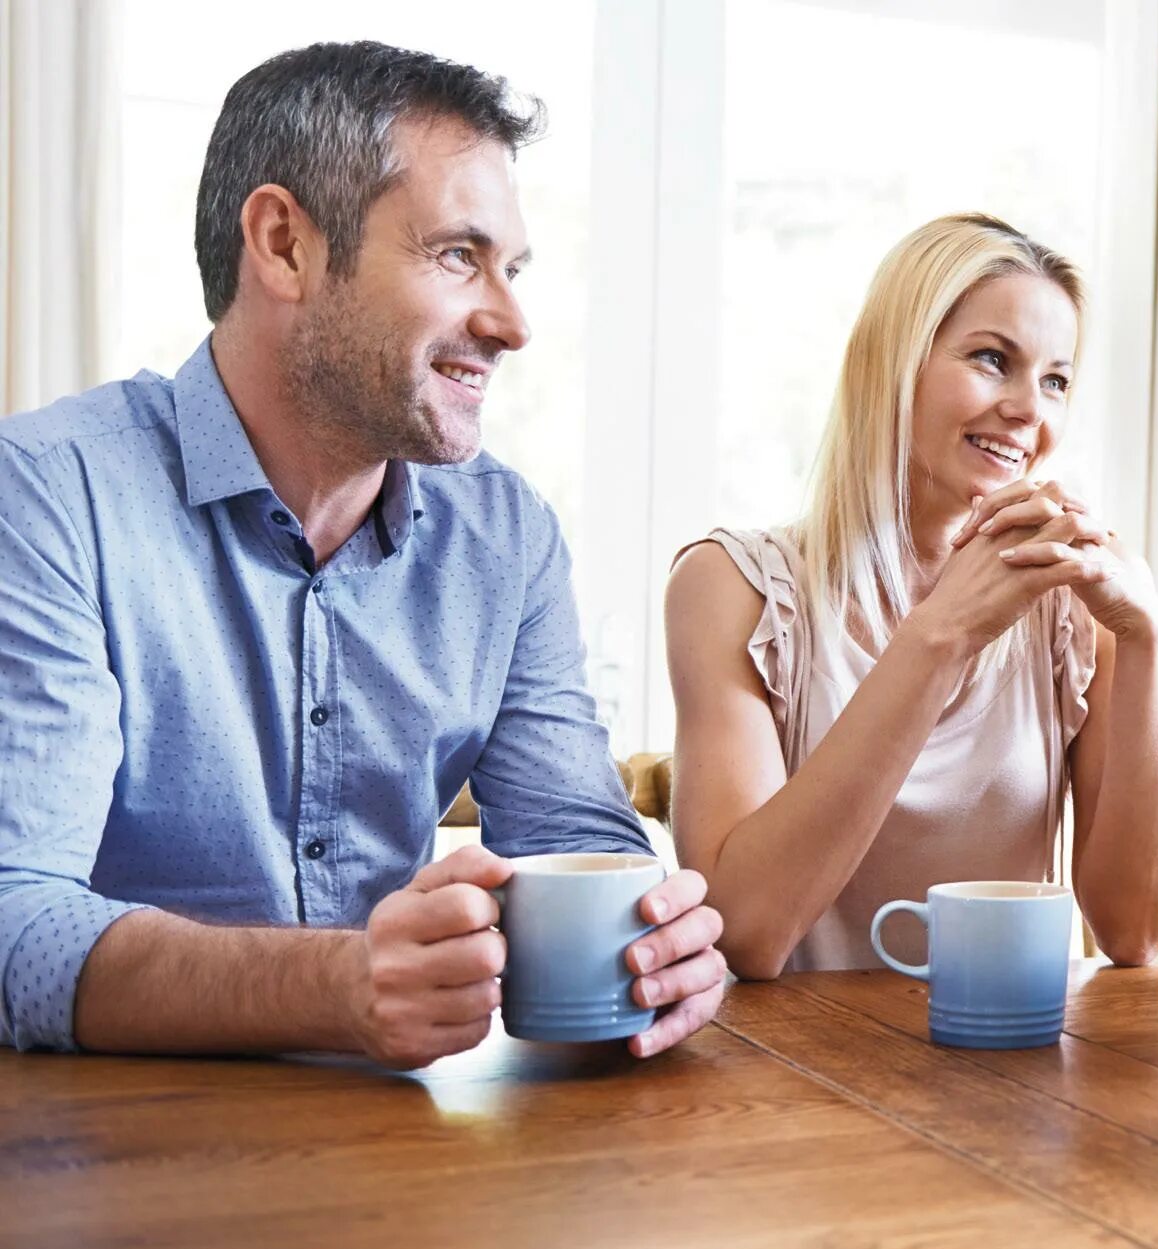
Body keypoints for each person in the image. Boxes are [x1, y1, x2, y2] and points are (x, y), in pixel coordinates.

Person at [0, 43, 725, 1064]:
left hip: (404, 1159)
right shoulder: (45, 494)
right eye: (457, 256)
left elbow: (574, 839)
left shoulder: (505, 537)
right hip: (103, 1173)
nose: (512, 323)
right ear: (285, 244)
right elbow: (12, 921)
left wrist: (657, 944)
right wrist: (335, 984)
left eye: (511, 269)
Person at [664, 214, 1158, 978]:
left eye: (1055, 380)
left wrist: (1146, 643)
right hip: (789, 1083)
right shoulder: (734, 588)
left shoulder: (1072, 606)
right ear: (892, 362)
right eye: (991, 359)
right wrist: (940, 635)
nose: (1029, 410)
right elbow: (745, 932)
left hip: (1008, 1068)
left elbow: (1138, 933)